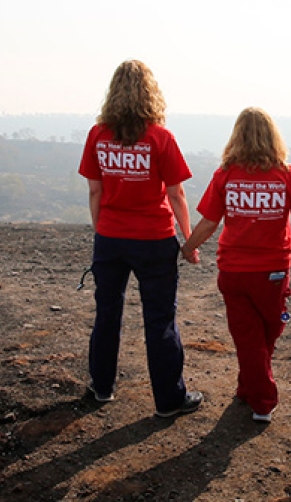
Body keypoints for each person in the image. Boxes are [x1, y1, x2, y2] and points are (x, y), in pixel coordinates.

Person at [181, 107, 291, 423]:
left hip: (234, 272)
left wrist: (188, 247)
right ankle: (263, 401)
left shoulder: (228, 175)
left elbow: (209, 223)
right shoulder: (287, 175)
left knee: (254, 334)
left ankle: (247, 386)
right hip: (272, 274)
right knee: (264, 331)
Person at [78, 59, 203, 418]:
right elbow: (177, 194)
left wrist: (100, 230)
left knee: (107, 314)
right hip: (154, 239)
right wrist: (189, 241)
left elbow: (94, 191)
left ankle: (101, 388)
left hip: (111, 239)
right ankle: (169, 400)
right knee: (159, 319)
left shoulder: (98, 134)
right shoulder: (161, 137)